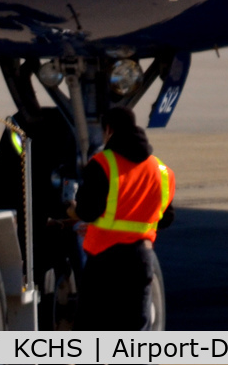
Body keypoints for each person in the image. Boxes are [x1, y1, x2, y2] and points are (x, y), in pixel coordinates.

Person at [69, 107, 174, 329]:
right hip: (141, 259)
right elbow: (164, 218)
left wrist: (72, 211)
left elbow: (88, 211)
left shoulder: (103, 163)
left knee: (91, 329)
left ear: (109, 130)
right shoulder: (161, 171)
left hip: (105, 261)